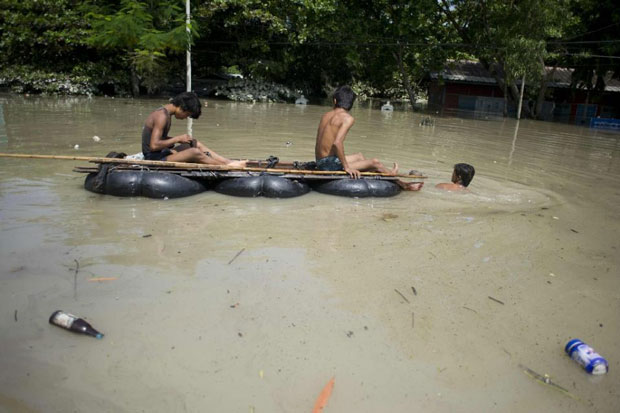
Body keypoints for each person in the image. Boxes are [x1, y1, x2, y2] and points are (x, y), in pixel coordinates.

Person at [314, 85, 423, 191]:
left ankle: (378, 171)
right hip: (329, 165)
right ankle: (402, 183)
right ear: (351, 104)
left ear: (335, 101)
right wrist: (347, 167)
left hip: (321, 161)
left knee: (359, 156)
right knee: (375, 162)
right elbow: (337, 143)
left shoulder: (326, 115)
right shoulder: (347, 118)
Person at [142, 92, 246, 167]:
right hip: (153, 158)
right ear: (181, 107)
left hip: (162, 153)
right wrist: (177, 139)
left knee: (194, 143)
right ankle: (227, 167)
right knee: (194, 152)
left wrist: (180, 139)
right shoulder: (162, 116)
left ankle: (228, 162)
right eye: (187, 115)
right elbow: (154, 145)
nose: (184, 118)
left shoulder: (166, 114)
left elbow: (161, 138)